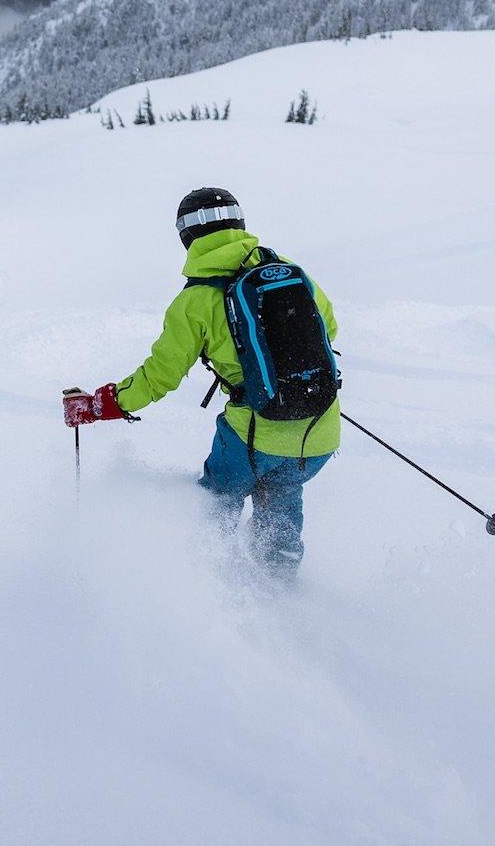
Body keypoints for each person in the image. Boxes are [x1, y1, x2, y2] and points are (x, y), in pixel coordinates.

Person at [71, 187, 340, 571]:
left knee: (216, 504)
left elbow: (160, 375)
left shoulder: (196, 300)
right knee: (282, 495)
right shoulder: (288, 272)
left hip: (254, 435)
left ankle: (211, 584)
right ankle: (280, 584)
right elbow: (329, 328)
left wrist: (104, 404)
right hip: (320, 431)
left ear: (187, 237)